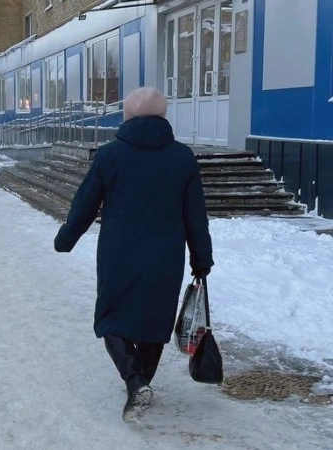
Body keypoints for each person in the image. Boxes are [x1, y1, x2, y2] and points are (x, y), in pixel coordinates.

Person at [53, 87, 213, 423]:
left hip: (118, 254)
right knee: (155, 322)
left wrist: (66, 238)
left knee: (111, 317)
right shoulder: (183, 157)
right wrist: (202, 258)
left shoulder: (110, 155)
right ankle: (140, 384)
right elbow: (195, 216)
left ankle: (134, 380)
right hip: (166, 258)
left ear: (127, 116)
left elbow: (85, 204)